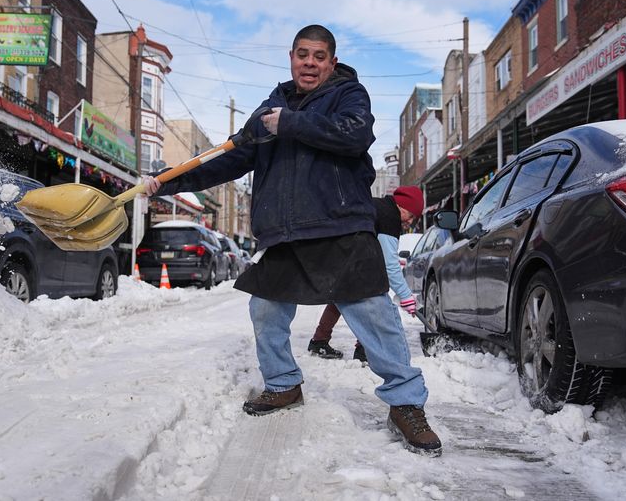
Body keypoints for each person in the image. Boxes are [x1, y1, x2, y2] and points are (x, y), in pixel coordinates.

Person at [143, 25, 441, 455]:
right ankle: (283, 384)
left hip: (341, 225)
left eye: (320, 56)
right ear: (291, 57)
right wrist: (167, 183)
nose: (310, 62)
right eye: (303, 54)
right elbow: (229, 159)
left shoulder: (349, 96)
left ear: (332, 62)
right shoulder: (269, 109)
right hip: (286, 232)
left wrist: (291, 124)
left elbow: (354, 135)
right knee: (265, 308)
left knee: (374, 316)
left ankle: (406, 404)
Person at [308, 186, 423, 362]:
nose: (411, 222)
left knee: (342, 296)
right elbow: (389, 264)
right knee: (374, 296)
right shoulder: (390, 216)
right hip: (349, 257)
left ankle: (320, 341)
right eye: (412, 216)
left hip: (340, 252)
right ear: (402, 206)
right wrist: (406, 296)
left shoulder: (380, 206)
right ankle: (363, 349)